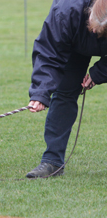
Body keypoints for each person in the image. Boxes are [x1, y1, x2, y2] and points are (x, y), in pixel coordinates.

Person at [27, 0, 107, 178]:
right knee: (64, 93)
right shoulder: (66, 10)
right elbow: (49, 53)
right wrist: (41, 92)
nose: (95, 32)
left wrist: (99, 73)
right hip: (73, 41)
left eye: (101, 31)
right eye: (94, 27)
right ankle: (52, 162)